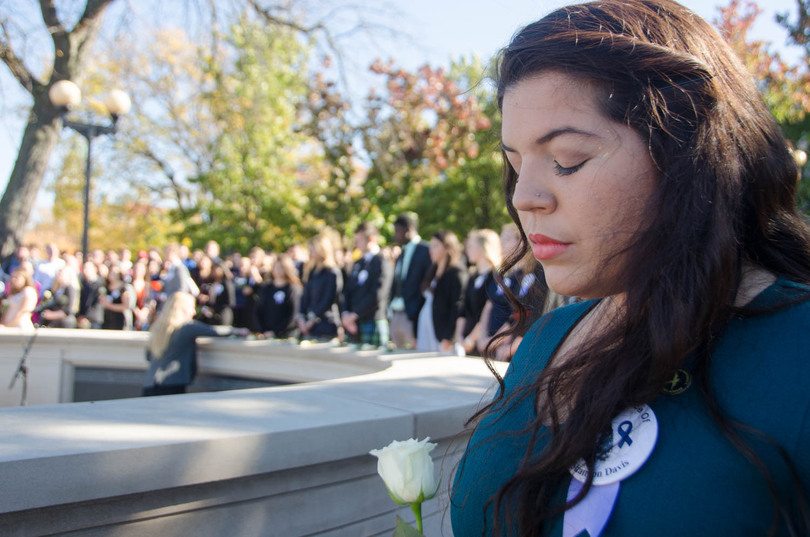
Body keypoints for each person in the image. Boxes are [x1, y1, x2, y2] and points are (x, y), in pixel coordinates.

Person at [451, 2, 810, 536]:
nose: (525, 197)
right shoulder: (548, 340)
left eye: (567, 159)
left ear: (689, 156)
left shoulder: (796, 349)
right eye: (515, 162)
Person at [142, 292, 247, 396]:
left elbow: (148, 356)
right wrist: (237, 331)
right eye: (192, 307)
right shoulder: (186, 328)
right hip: (172, 383)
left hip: (150, 383)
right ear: (183, 309)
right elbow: (215, 332)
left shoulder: (157, 328)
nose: (194, 312)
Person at [341, 222, 394, 349]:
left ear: (371, 239)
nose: (356, 244)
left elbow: (378, 294)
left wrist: (354, 315)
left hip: (373, 320)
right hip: (353, 324)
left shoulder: (382, 262)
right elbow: (347, 290)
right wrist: (346, 315)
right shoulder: (358, 263)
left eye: (359, 240)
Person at [416, 230, 468, 352]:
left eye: (435, 246)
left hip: (442, 331)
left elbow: (457, 306)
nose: (431, 250)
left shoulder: (456, 272)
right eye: (430, 246)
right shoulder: (432, 270)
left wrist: (449, 336)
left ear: (447, 248)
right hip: (427, 325)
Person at [454, 229, 501, 356]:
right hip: (466, 343)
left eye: (470, 246)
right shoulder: (472, 276)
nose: (467, 250)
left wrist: (471, 339)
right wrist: (459, 336)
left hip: (483, 344)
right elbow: (463, 308)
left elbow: (488, 310)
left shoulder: (496, 277)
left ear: (482, 248)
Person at [389, 212, 432, 348]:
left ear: (409, 229)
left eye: (398, 231)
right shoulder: (402, 252)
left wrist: (414, 311)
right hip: (396, 313)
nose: (395, 235)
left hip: (413, 316)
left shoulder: (425, 250)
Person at [297, 234, 343, 341]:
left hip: (326, 324)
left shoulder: (332, 272)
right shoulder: (311, 272)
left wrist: (312, 318)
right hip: (310, 327)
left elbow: (329, 299)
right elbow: (305, 297)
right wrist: (301, 318)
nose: (310, 252)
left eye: (313, 249)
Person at [255, 253, 302, 338]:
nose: (278, 271)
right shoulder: (266, 288)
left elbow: (293, 314)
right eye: (276, 267)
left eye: (281, 268)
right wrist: (262, 330)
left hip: (286, 336)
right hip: (266, 334)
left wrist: (277, 332)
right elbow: (258, 310)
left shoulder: (293, 289)